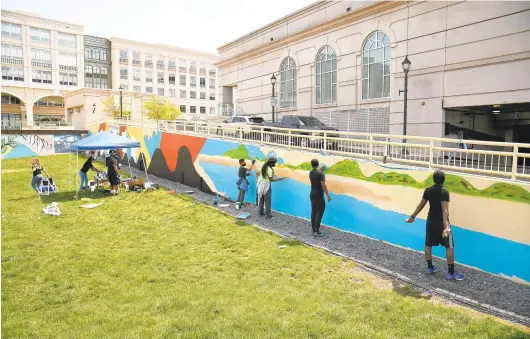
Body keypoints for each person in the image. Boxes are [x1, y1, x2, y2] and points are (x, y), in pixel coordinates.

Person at [405, 170, 465, 281]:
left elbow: (421, 205)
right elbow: (444, 210)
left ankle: (430, 267)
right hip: (442, 223)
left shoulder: (428, 190)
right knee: (449, 246)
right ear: (444, 180)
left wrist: (412, 217)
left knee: (428, 244)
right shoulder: (444, 192)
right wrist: (446, 227)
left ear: (433, 179)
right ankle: (451, 273)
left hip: (431, 222)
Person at [309, 159, 331, 236]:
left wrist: (321, 172)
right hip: (319, 196)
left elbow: (316, 177)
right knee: (319, 213)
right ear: (318, 164)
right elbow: (323, 186)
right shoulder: (321, 174)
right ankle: (317, 231)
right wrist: (328, 195)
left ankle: (313, 230)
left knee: (314, 212)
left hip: (312, 195)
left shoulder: (311, 173)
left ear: (311, 165)